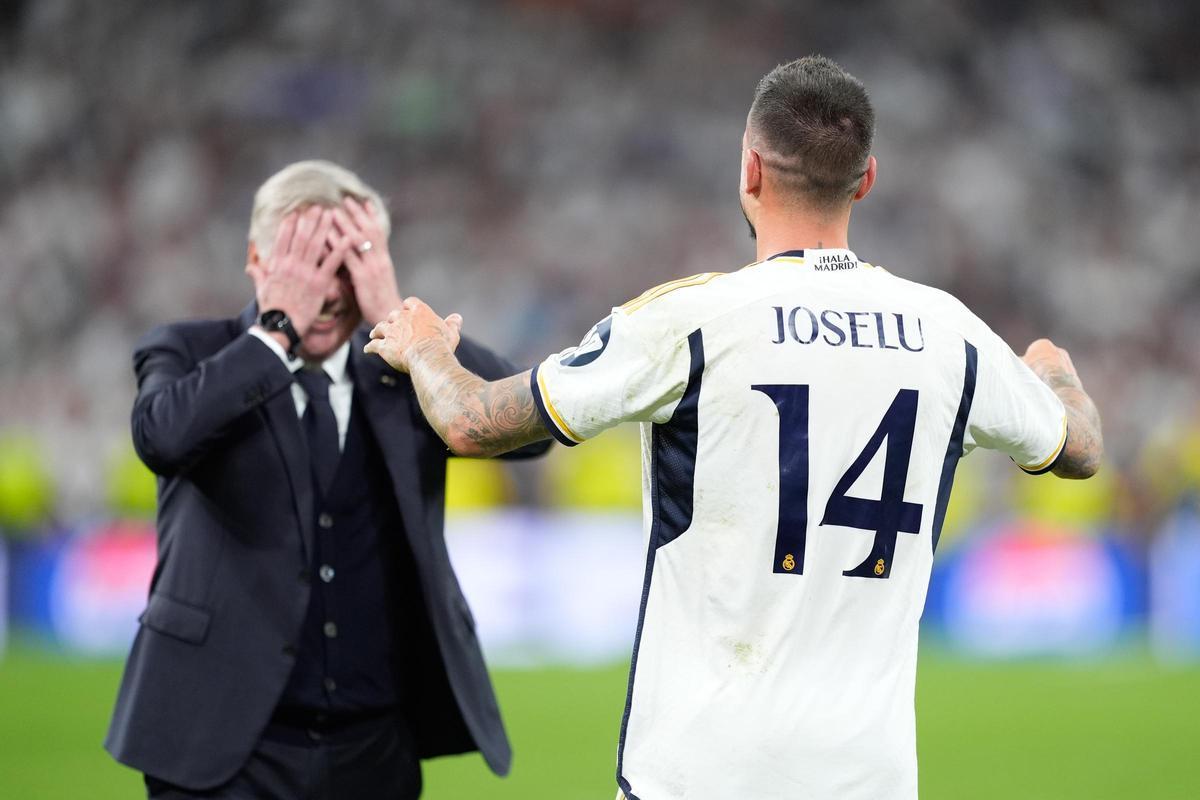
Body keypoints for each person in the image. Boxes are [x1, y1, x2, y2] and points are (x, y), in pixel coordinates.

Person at [363, 56, 1104, 800]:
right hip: (868, 778)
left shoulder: (692, 321)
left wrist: (424, 345)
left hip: (700, 774)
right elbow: (1081, 448)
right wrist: (1053, 369)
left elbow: (470, 422)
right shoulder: (950, 332)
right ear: (866, 179)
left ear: (750, 170)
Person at [105, 160, 549, 799]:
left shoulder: (405, 374)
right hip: (221, 746)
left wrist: (400, 319)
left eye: (345, 264)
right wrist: (274, 332)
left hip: (374, 747)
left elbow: (524, 431)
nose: (327, 290)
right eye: (307, 262)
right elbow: (161, 437)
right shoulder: (188, 351)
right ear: (257, 259)